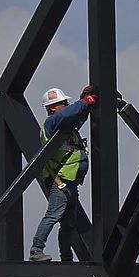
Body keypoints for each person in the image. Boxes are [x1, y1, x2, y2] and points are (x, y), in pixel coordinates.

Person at [28, 85, 97, 262]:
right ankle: (36, 250)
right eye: (62, 103)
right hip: (60, 181)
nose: (67, 104)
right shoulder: (51, 123)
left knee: (68, 223)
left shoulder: (64, 126)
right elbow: (68, 114)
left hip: (70, 181)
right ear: (52, 107)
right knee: (53, 214)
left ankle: (66, 258)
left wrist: (85, 103)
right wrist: (83, 102)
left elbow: (76, 116)